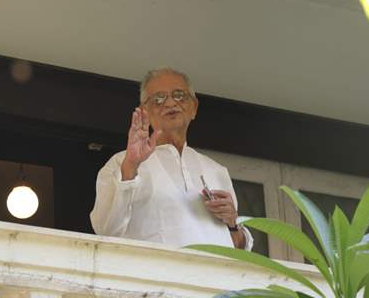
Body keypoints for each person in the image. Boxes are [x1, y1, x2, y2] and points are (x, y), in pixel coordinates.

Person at [90, 67, 253, 250]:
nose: (169, 103)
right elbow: (106, 231)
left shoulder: (217, 170)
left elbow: (238, 249)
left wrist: (232, 223)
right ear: (145, 111)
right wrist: (130, 167)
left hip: (214, 277)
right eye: (158, 99)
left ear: (194, 107)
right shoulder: (121, 163)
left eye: (179, 95)